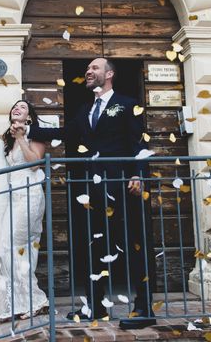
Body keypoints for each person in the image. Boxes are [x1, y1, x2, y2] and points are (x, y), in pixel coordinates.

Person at [15, 58, 156, 330]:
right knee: (95, 246)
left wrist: (138, 173)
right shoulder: (86, 109)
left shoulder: (127, 104)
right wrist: (28, 130)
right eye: (88, 69)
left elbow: (140, 141)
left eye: (94, 68)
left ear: (110, 74)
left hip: (124, 185)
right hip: (94, 190)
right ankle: (95, 306)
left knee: (134, 244)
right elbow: (64, 133)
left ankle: (143, 307)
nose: (88, 72)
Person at [0, 100, 49, 321]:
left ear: (29, 117)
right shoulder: (7, 140)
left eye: (23, 107)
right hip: (12, 197)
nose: (17, 108)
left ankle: (37, 300)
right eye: (15, 106)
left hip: (29, 196)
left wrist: (21, 137)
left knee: (13, 247)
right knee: (9, 249)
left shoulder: (34, 135)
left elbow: (34, 164)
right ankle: (18, 302)